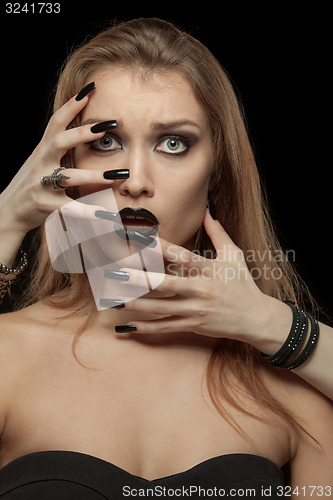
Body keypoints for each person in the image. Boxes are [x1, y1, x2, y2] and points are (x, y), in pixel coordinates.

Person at [0, 17, 332, 498]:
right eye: (105, 142)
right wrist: (5, 219)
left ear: (216, 172)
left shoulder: (295, 385)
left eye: (173, 143)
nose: (136, 180)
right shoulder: (11, 355)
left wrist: (276, 326)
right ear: (65, 164)